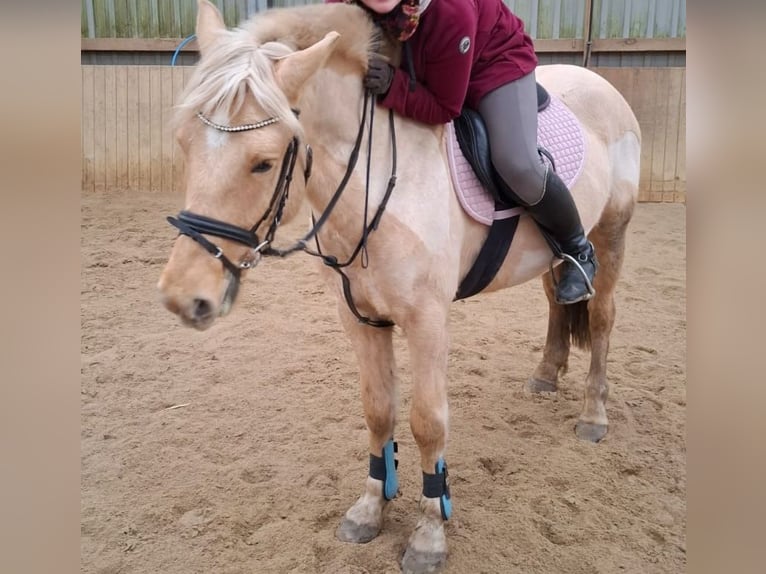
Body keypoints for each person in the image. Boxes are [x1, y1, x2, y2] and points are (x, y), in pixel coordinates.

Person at [327, 0, 597, 304]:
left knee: (516, 165)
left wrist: (393, 86)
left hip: (492, 63)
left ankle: (578, 250)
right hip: (426, 62)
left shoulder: (450, 9)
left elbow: (445, 107)